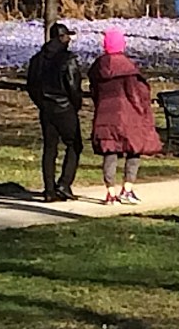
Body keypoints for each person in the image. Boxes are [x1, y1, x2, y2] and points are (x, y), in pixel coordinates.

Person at [88, 28, 162, 205]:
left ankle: (110, 192)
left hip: (105, 115)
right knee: (134, 149)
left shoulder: (98, 67)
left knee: (110, 151)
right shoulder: (128, 68)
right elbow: (138, 94)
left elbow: (94, 92)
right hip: (128, 115)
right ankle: (127, 189)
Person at [26, 22, 83, 202]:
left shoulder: (37, 59)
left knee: (50, 148)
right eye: (67, 36)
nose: (69, 40)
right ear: (61, 37)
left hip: (46, 109)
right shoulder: (68, 59)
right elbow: (73, 86)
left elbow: (31, 86)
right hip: (65, 107)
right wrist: (76, 104)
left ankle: (49, 189)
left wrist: (41, 103)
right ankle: (64, 184)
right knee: (74, 145)